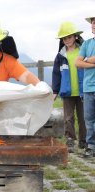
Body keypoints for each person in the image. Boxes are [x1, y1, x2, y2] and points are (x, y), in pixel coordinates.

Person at [52, 21, 86, 153]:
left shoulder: (83, 51)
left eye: (69, 37)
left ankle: (84, 141)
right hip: (67, 92)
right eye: (64, 38)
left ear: (75, 37)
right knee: (68, 118)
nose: (67, 40)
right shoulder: (60, 56)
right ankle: (70, 140)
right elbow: (56, 74)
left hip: (83, 91)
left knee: (83, 118)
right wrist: (55, 91)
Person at [76, 16, 95, 157]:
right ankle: (91, 146)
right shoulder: (87, 44)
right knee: (88, 119)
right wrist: (92, 62)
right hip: (88, 87)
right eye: (92, 23)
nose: (93, 25)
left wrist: (87, 60)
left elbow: (83, 62)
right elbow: (78, 63)